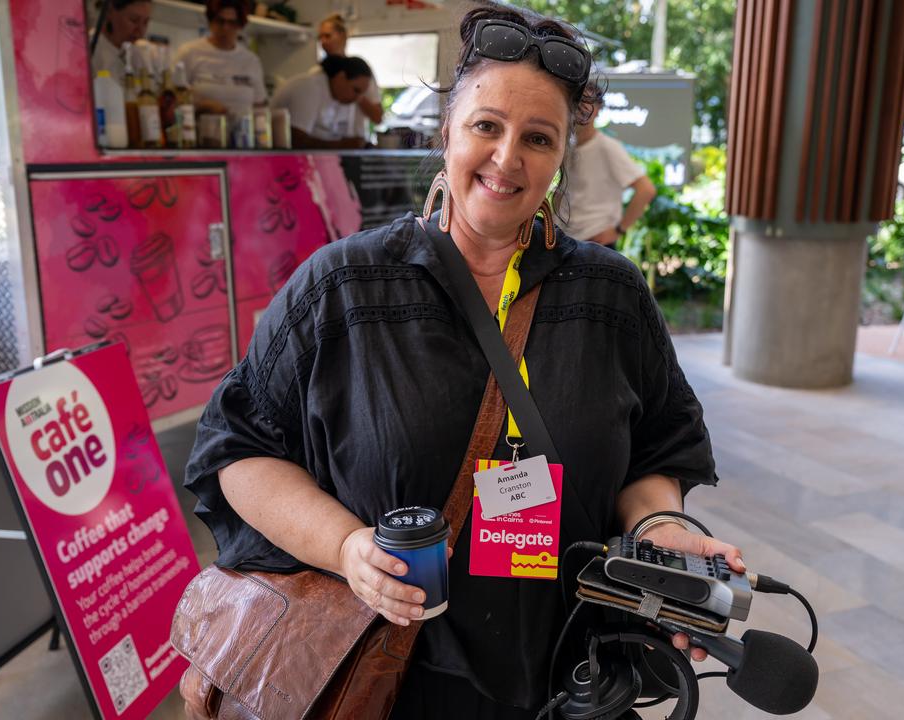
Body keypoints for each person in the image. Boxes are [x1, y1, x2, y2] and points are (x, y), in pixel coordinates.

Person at [184, 3, 744, 716]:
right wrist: (347, 548)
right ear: (446, 130)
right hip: (391, 674)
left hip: (567, 670)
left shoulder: (610, 296)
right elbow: (238, 449)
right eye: (487, 126)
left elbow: (655, 452)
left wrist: (657, 530)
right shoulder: (343, 288)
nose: (508, 158)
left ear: (561, 155)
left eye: (537, 138)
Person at [556, 85, 657, 250]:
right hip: (565, 240)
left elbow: (646, 189)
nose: (581, 107)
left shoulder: (607, 147)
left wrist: (619, 230)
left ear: (598, 109)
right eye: (577, 100)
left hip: (594, 243)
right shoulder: (568, 146)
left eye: (588, 102)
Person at [171, 0, 267, 116]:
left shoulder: (251, 61)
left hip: (243, 130)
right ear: (210, 21)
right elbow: (172, 100)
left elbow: (260, 107)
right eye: (220, 21)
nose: (225, 28)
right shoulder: (189, 52)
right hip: (201, 129)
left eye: (232, 23)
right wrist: (201, 106)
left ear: (240, 25)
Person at [270, 55, 375, 149]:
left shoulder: (345, 100)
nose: (357, 98)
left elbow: (344, 139)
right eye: (356, 90)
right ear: (341, 77)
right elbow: (297, 141)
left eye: (361, 94)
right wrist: (342, 145)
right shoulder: (309, 87)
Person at [315, 12, 384, 132]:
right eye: (320, 37)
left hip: (356, 144)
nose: (323, 42)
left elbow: (378, 117)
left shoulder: (361, 72)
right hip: (328, 145)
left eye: (328, 36)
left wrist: (356, 93)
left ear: (343, 36)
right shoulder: (317, 73)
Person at [90, 0, 152, 85]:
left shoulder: (137, 55)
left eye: (145, 22)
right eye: (134, 20)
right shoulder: (90, 51)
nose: (141, 31)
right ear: (109, 12)